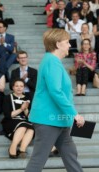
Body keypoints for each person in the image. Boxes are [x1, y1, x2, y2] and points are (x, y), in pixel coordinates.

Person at [25, 29, 85, 172]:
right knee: (38, 160)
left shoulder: (52, 61)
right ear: (58, 44)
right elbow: (55, 91)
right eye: (67, 42)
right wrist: (74, 114)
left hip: (59, 119)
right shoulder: (52, 61)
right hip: (48, 120)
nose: (70, 45)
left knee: (71, 155)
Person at [2, 79, 33, 159]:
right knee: (23, 126)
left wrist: (26, 109)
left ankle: (22, 149)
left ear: (24, 88)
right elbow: (8, 115)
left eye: (21, 86)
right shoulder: (7, 97)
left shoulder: (28, 98)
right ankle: (13, 147)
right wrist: (21, 109)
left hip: (24, 121)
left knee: (31, 129)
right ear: (13, 87)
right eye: (17, 86)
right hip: (11, 121)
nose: (19, 88)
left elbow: (30, 117)